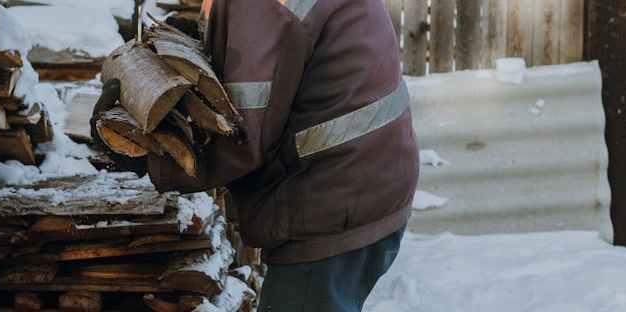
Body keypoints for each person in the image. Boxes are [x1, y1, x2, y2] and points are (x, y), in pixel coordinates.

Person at [94, 0, 418, 310]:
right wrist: (208, 42)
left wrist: (149, 159)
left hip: (332, 199)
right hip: (368, 178)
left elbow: (241, 135)